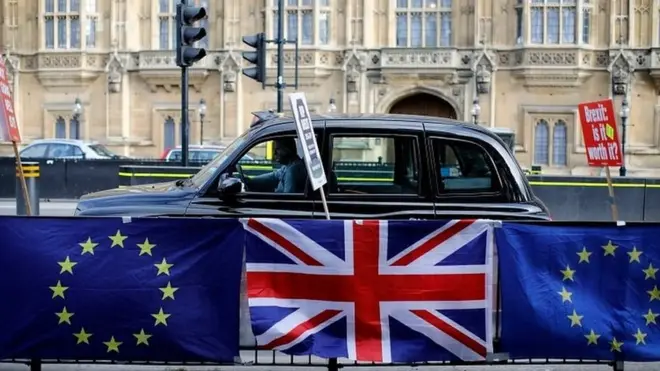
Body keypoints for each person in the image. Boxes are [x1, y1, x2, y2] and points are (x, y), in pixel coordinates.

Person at [243, 138, 307, 193]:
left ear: (287, 150)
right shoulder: (287, 166)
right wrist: (250, 181)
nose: (275, 153)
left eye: (278, 149)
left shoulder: (292, 170)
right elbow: (274, 176)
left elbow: (288, 200)